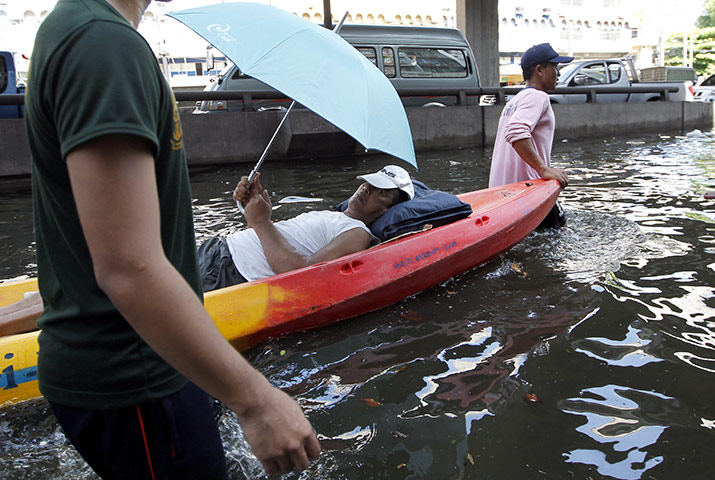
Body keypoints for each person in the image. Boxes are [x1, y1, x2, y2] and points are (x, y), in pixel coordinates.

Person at [24, 0, 319, 478]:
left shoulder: (76, 28)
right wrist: (255, 399)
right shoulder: (104, 44)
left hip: (126, 367)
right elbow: (128, 267)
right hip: (138, 373)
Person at [199, 165, 414, 292]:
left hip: (229, 272)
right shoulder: (331, 215)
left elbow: (303, 273)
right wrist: (253, 206)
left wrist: (262, 222)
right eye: (368, 183)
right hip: (217, 249)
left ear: (389, 210)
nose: (366, 188)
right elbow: (265, 238)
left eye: (381, 191)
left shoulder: (357, 233)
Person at [489, 42, 573, 228]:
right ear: (540, 70)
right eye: (555, 67)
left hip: (502, 195)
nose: (558, 73)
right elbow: (516, 131)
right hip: (529, 194)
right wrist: (544, 169)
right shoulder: (538, 97)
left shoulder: (515, 100)